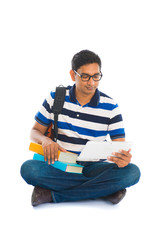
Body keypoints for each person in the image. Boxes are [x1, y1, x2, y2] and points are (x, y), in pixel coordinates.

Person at [20, 50, 141, 207]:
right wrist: (45, 141)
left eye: (96, 76)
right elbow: (35, 131)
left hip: (95, 167)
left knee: (132, 172)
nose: (91, 82)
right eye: (85, 76)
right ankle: (105, 190)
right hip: (61, 163)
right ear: (73, 75)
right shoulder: (56, 97)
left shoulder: (110, 106)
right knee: (29, 169)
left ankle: (52, 195)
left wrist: (122, 160)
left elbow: (119, 146)